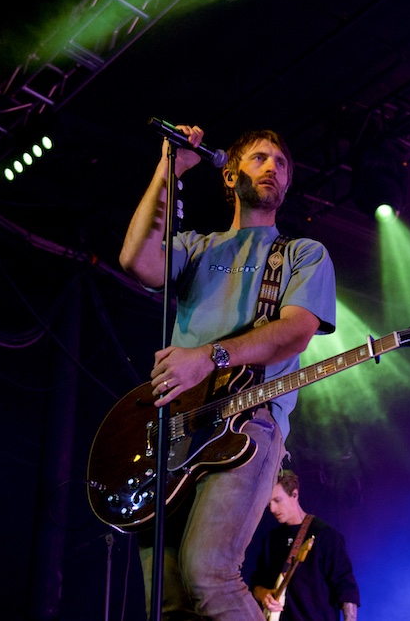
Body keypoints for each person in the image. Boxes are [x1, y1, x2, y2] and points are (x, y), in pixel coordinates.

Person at [119, 124, 336, 620]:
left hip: (249, 423)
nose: (273, 168)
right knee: (168, 598)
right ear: (231, 173)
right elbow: (136, 260)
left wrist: (209, 356)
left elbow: (295, 333)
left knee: (208, 572)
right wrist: (169, 168)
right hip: (174, 428)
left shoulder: (302, 254)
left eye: (281, 163)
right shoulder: (197, 248)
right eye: (260, 158)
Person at [251, 470, 360, 621]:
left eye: (277, 500)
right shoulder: (271, 539)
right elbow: (256, 582)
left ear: (294, 495)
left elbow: (345, 587)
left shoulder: (325, 535)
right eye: (269, 503)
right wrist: (263, 594)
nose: (272, 509)